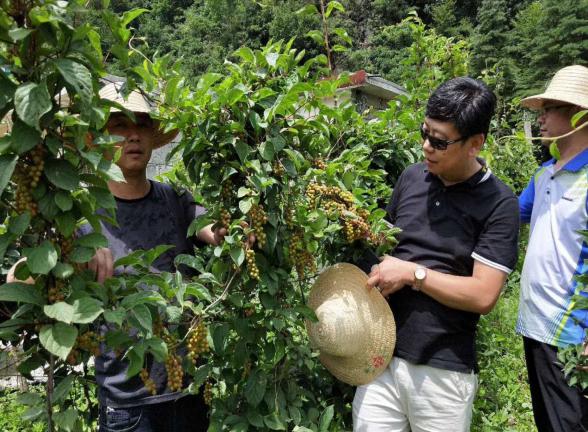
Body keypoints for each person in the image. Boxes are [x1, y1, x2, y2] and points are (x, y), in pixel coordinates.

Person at [9, 82, 223, 431]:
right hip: (127, 406)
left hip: (188, 394)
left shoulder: (175, 201)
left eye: (140, 125)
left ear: (153, 137)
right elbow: (18, 280)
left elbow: (210, 229)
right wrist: (73, 255)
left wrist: (228, 231)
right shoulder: (79, 215)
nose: (133, 136)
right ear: (96, 141)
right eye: (119, 126)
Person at [353, 77, 520, 431]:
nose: (427, 146)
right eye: (424, 133)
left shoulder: (499, 204)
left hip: (442, 372)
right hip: (380, 359)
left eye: (440, 141)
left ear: (475, 144)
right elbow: (384, 247)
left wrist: (413, 274)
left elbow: (484, 294)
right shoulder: (412, 178)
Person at [516, 64, 588, 432]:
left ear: (578, 114)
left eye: (550, 108)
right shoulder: (545, 174)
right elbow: (511, 215)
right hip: (536, 324)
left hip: (572, 334)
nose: (540, 117)